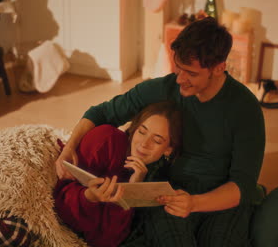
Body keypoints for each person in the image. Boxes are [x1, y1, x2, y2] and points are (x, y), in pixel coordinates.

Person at [55, 17, 266, 246]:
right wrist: (69, 148)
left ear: (219, 68)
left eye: (191, 74)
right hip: (169, 191)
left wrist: (194, 203)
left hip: (222, 197)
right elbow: (101, 113)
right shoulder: (165, 87)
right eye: (178, 68)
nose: (180, 79)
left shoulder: (245, 109)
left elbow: (242, 185)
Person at [54, 101, 182, 247]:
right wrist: (89, 197)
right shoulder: (105, 139)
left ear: (168, 150)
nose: (144, 144)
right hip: (67, 221)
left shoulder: (155, 177)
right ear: (134, 129)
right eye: (141, 132)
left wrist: (133, 189)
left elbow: (109, 240)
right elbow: (61, 204)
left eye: (157, 140)